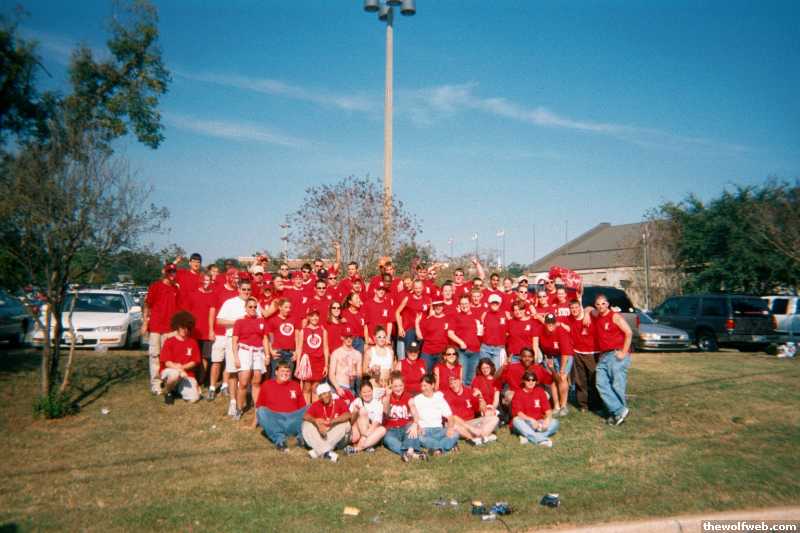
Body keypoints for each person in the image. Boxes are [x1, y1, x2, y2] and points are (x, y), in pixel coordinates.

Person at [215, 279, 258, 419]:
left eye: (248, 289)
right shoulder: (230, 302)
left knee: (248, 373)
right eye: (244, 289)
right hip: (232, 339)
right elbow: (219, 320)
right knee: (233, 372)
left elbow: (260, 318)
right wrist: (237, 323)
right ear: (238, 289)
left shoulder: (254, 303)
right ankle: (233, 402)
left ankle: (247, 400)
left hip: (250, 343)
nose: (246, 292)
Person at [591, 293, 633, 425]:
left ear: (608, 304)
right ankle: (619, 410)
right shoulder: (597, 315)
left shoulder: (614, 316)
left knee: (617, 385)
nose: (601, 306)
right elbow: (587, 309)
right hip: (604, 356)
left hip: (616, 354)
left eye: (603, 303)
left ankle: (617, 414)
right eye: (598, 304)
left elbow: (629, 332)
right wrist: (587, 313)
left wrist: (623, 352)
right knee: (600, 383)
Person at [142, 263, 179, 395]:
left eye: (174, 272)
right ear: (165, 273)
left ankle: (170, 384)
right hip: (156, 327)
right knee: (155, 356)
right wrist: (145, 322)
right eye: (170, 272)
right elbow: (147, 305)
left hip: (170, 329)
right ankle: (156, 385)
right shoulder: (156, 286)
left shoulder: (176, 288)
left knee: (169, 357)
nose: (172, 274)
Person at [231, 296, 270, 422]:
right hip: (244, 351)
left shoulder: (261, 321)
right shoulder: (239, 322)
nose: (253, 309)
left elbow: (265, 339)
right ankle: (239, 408)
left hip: (258, 352)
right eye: (250, 307)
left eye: (255, 307)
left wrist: (267, 355)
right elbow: (234, 340)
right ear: (246, 308)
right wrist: (236, 357)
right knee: (243, 382)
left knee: (256, 381)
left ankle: (257, 410)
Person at [255, 361, 307, 452]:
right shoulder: (267, 384)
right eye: (282, 371)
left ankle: (301, 437)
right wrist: (253, 424)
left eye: (288, 371)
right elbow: (259, 406)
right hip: (276, 420)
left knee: (310, 408)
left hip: (292, 419)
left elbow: (302, 408)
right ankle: (280, 440)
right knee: (261, 411)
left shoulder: (296, 385)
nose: (285, 373)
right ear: (276, 372)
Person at [410, 374, 459, 456]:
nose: (423, 388)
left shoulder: (439, 398)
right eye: (421, 386)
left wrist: (450, 428)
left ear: (432, 385)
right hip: (424, 431)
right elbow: (413, 418)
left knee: (455, 433)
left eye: (425, 386)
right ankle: (446, 447)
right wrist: (418, 426)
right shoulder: (417, 399)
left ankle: (437, 449)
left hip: (439, 430)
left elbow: (450, 417)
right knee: (417, 437)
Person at [159, 311, 201, 404]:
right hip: (170, 371)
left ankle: (176, 389)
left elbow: (195, 362)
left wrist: (182, 368)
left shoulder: (193, 342)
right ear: (177, 326)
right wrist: (179, 370)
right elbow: (167, 362)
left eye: (187, 328)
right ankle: (168, 392)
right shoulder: (169, 341)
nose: (185, 330)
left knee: (194, 399)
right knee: (175, 374)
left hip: (186, 374)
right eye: (182, 327)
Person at [208, 268, 239, 398]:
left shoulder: (238, 292)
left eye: (237, 278)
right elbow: (212, 311)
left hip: (232, 333)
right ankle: (212, 387)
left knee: (229, 362)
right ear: (227, 277)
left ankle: (225, 385)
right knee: (216, 361)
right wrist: (211, 329)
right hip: (220, 332)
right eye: (233, 277)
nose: (235, 280)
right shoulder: (218, 290)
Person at [443, 375, 499, 446]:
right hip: (460, 425)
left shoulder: (469, 391)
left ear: (460, 381)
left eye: (455, 382)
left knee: (495, 418)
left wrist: (480, 397)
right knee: (453, 426)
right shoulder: (447, 395)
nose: (453, 385)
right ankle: (482, 437)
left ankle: (478, 438)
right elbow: (452, 417)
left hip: (472, 422)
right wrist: (471, 429)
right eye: (451, 384)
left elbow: (483, 409)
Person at [301, 383, 351, 462]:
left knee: (346, 424)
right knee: (306, 424)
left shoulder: (339, 402)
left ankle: (317, 451)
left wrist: (332, 422)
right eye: (320, 395)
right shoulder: (317, 404)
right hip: (321, 434)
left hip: (335, 434)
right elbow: (305, 416)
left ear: (330, 392)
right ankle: (326, 452)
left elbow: (348, 415)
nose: (323, 397)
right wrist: (316, 422)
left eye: (325, 393)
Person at [382, 371, 425, 461]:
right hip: (391, 429)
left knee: (412, 429)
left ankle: (409, 451)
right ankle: (412, 453)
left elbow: (414, 410)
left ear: (404, 385)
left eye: (400, 385)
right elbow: (386, 412)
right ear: (391, 386)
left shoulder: (408, 397)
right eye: (395, 386)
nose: (398, 389)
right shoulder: (386, 397)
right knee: (387, 439)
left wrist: (415, 423)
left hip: (404, 427)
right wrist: (388, 396)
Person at [566, 299, 600, 412]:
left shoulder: (589, 316)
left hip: (592, 353)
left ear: (580, 307)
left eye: (576, 307)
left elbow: (593, 308)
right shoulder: (569, 319)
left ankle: (596, 404)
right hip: (577, 353)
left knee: (593, 379)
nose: (574, 310)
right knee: (580, 380)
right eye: (572, 308)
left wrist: (587, 312)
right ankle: (583, 404)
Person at [511, 371, 559, 447]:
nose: (531, 382)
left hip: (539, 423)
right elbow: (519, 413)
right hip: (525, 422)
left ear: (536, 381)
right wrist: (530, 420)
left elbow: (548, 410)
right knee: (516, 420)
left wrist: (547, 420)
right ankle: (541, 440)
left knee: (555, 422)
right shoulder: (518, 393)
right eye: (528, 380)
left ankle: (528, 436)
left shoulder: (540, 391)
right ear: (524, 381)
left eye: (533, 380)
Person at [538, 313, 574, 417]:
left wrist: (562, 369)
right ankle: (556, 405)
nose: (550, 325)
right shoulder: (541, 330)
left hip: (563, 356)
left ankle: (563, 406)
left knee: (562, 378)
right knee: (552, 380)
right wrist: (547, 360)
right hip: (550, 356)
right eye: (548, 322)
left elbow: (565, 353)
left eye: (552, 323)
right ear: (545, 323)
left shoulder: (561, 331)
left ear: (555, 323)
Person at [187, 272, 216, 391]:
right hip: (194, 331)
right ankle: (191, 380)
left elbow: (212, 314)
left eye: (208, 280)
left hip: (206, 332)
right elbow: (188, 313)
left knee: (205, 357)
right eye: (204, 280)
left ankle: (200, 381)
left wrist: (211, 330)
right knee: (193, 357)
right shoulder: (193, 294)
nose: (205, 282)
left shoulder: (212, 295)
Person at [344, 380, 387, 455]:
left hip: (371, 429)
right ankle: (367, 445)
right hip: (358, 429)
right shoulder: (357, 401)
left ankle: (357, 448)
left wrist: (365, 436)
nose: (367, 394)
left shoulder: (378, 404)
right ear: (360, 393)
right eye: (364, 392)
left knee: (383, 429)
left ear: (372, 391)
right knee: (362, 410)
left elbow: (375, 424)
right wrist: (355, 413)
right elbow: (351, 421)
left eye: (369, 391)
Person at [295, 309, 329, 403]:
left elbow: (326, 348)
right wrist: (298, 364)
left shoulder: (323, 331)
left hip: (319, 362)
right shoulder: (303, 331)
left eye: (316, 316)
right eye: (312, 316)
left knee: (315, 387)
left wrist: (326, 365)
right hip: (307, 362)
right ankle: (306, 408)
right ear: (308, 317)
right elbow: (299, 348)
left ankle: (314, 408)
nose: (315, 318)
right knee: (306, 387)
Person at [449, 295, 482, 386]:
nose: (464, 306)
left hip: (475, 352)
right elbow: (450, 333)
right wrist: (461, 342)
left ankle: (469, 395)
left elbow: (480, 333)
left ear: (470, 304)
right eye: (462, 304)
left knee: (472, 379)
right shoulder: (455, 316)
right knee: (461, 378)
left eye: (466, 303)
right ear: (459, 305)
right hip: (462, 352)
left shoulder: (476, 316)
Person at [395, 279, 431, 356]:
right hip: (410, 330)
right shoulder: (408, 298)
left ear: (423, 288)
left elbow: (430, 315)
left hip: (422, 331)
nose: (418, 290)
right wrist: (400, 327)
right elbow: (397, 312)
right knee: (410, 353)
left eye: (420, 288)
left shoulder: (428, 299)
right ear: (413, 288)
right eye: (416, 288)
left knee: (420, 355)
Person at [415, 300, 450, 372]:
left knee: (440, 375)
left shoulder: (448, 319)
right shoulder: (428, 320)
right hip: (427, 352)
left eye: (440, 305)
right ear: (433, 307)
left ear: (443, 306)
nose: (438, 307)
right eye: (436, 305)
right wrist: (417, 323)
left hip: (442, 353)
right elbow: (420, 337)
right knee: (424, 373)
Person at [266, 299, 296, 375]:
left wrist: (296, 352)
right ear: (280, 307)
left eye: (289, 307)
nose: (288, 309)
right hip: (278, 352)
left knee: (288, 376)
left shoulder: (293, 319)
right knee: (276, 376)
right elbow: (269, 337)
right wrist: (271, 351)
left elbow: (297, 337)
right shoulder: (272, 320)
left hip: (290, 353)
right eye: (286, 307)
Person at [328, 326, 362, 395]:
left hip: (351, 388)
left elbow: (360, 374)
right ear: (342, 337)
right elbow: (331, 374)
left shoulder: (358, 354)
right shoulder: (336, 353)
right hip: (338, 387)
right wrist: (338, 388)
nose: (349, 339)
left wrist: (355, 375)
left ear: (353, 337)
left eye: (351, 337)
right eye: (346, 337)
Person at [480, 294, 509, 371]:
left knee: (496, 372)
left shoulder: (505, 314)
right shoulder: (485, 314)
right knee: (485, 371)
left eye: (497, 303)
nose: (495, 304)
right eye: (493, 302)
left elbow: (509, 331)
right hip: (485, 348)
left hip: (498, 348)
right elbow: (480, 330)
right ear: (490, 303)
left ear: (500, 303)